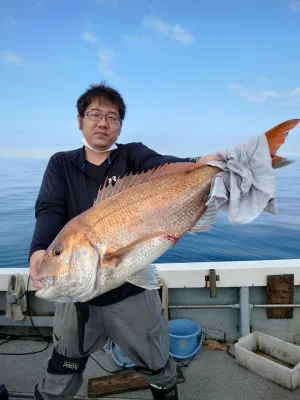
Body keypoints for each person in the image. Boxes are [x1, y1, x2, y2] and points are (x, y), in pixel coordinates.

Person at [29, 82, 219, 400]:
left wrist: (204, 163)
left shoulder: (132, 156)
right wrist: (40, 250)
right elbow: (49, 209)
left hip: (132, 291)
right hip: (77, 303)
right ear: (80, 120)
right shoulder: (60, 164)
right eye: (95, 114)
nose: (103, 122)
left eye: (112, 117)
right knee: (61, 372)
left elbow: (166, 165)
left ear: (119, 125)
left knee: (158, 365)